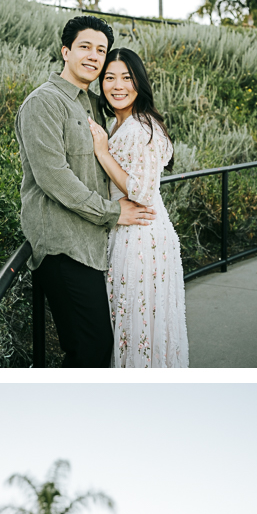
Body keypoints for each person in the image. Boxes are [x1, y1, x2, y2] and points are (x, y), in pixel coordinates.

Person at [15, 17, 157, 368]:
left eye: (101, 50)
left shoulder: (91, 103)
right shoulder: (43, 103)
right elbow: (54, 178)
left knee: (95, 346)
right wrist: (113, 212)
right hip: (62, 246)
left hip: (92, 246)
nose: (94, 56)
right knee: (90, 346)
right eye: (85, 47)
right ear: (66, 51)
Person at [87, 47, 189, 368]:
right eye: (109, 77)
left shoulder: (140, 127)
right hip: (131, 231)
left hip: (140, 239)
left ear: (139, 82)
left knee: (135, 324)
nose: (117, 85)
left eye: (127, 77)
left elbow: (143, 191)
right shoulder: (121, 124)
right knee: (130, 325)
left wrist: (103, 153)